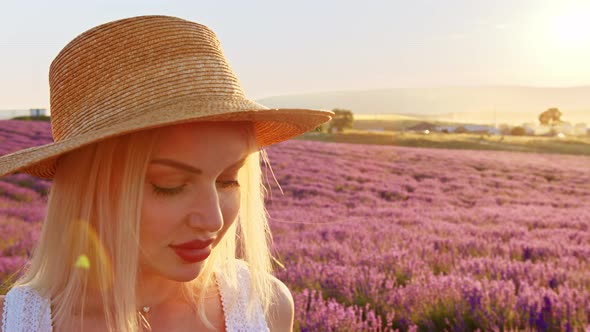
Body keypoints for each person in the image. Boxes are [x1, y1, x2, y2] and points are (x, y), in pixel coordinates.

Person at [0, 15, 333, 332]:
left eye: (228, 180)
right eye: (169, 185)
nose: (213, 220)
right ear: (89, 188)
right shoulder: (18, 321)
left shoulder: (264, 306)